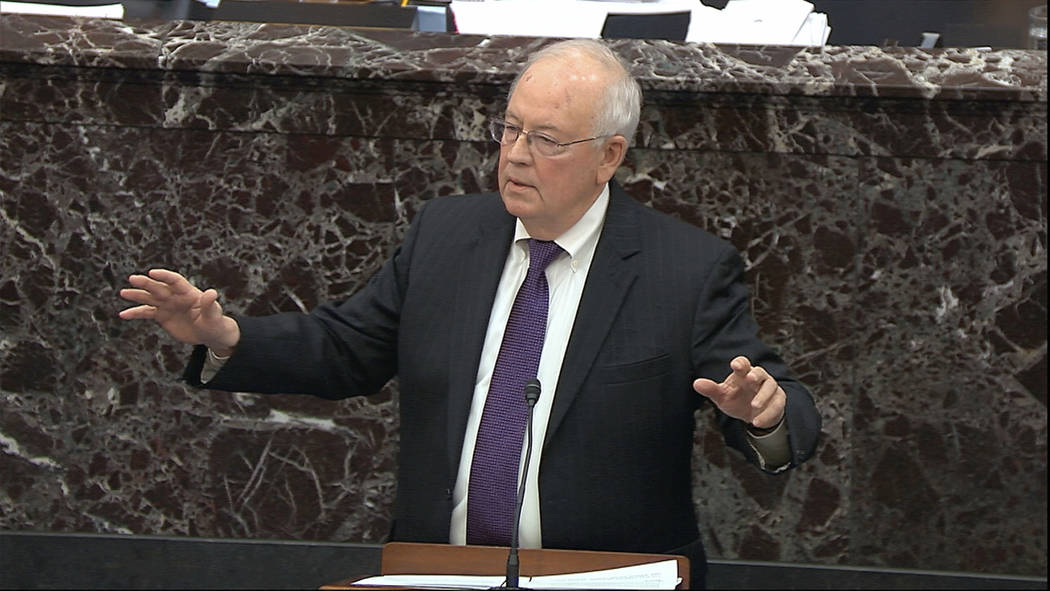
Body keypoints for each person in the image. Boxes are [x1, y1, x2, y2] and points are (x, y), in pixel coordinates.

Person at [119, 39, 820, 589]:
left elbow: (774, 407)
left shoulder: (685, 269)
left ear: (609, 156)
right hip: (439, 572)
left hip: (607, 580)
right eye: (511, 129)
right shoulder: (447, 237)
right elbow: (346, 345)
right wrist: (223, 335)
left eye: (545, 139)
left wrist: (763, 412)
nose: (514, 155)